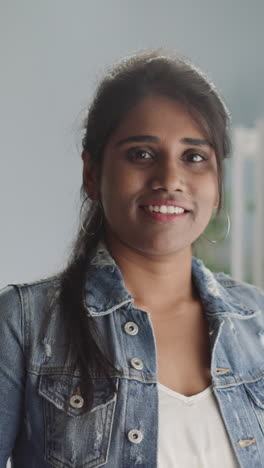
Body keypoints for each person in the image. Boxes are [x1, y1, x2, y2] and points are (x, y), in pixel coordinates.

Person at [0, 49, 264, 468]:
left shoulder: (258, 322)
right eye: (141, 154)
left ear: (217, 185)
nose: (170, 180)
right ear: (92, 172)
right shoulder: (22, 324)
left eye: (194, 157)